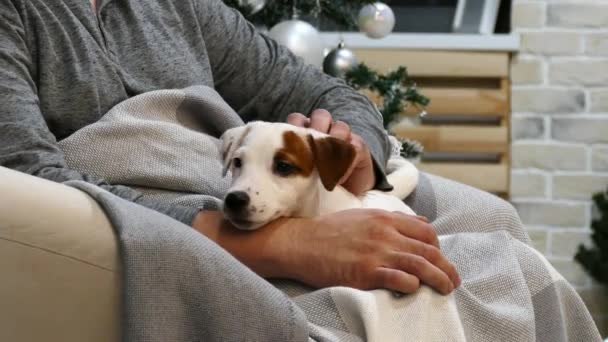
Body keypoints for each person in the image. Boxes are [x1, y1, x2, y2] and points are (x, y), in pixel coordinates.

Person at [0, 0, 467, 296]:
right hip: (162, 227)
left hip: (260, 196)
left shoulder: (183, 9)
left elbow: (325, 91)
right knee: (448, 287)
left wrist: (357, 148)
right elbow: (27, 174)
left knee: (483, 219)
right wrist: (282, 244)